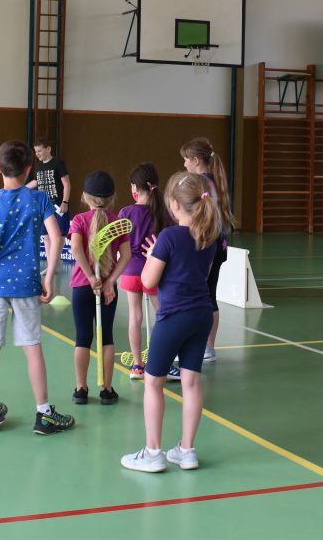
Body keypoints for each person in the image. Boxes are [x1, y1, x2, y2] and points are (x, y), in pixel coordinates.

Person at [0, 140, 74, 436]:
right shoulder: (38, 199)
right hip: (28, 284)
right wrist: (48, 278)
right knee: (32, 346)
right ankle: (44, 414)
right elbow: (57, 238)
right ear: (29, 169)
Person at [120, 172, 221, 473]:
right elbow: (200, 274)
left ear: (175, 204)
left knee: (153, 382)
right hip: (201, 315)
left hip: (174, 317)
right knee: (191, 382)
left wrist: (153, 255)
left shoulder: (168, 237)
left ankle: (153, 453)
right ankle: (186, 451)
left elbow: (148, 280)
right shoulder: (209, 237)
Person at [67, 170, 130, 405]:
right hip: (107, 289)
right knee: (107, 337)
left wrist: (89, 277)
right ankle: (107, 390)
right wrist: (110, 280)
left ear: (85, 196)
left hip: (82, 287)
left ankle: (81, 389)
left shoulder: (79, 220)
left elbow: (76, 249)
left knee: (83, 337)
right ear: (112, 198)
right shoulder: (116, 222)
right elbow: (126, 256)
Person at [179, 137, 236, 363]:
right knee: (209, 294)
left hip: (207, 245)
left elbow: (199, 217)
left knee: (202, 295)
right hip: (217, 244)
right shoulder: (213, 181)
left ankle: (201, 346)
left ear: (195, 160)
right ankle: (207, 347)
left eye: (186, 160)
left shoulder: (201, 184)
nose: (184, 164)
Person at [117, 163, 168, 380]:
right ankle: (162, 361)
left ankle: (137, 365)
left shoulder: (125, 212)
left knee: (135, 316)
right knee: (163, 315)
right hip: (154, 270)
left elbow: (119, 242)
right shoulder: (163, 213)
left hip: (130, 271)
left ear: (136, 188)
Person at [26, 138, 71, 219]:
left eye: (39, 151)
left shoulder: (58, 164)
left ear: (48, 149)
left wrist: (65, 202)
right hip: (43, 207)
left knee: (60, 227)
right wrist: (21, 189)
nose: (37, 154)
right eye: (36, 151)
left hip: (58, 207)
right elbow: (36, 181)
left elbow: (66, 184)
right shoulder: (38, 166)